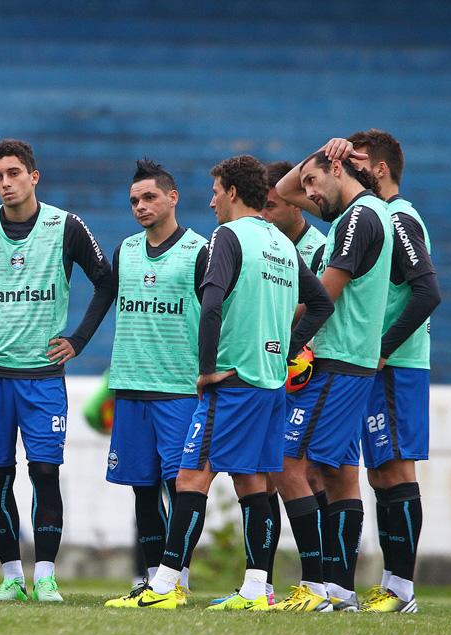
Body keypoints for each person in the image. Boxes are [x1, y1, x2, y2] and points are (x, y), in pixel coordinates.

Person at [144, 155, 332, 610]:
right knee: (253, 483)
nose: (210, 202)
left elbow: (211, 307)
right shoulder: (282, 242)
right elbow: (321, 302)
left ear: (231, 191)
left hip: (234, 380)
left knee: (191, 477)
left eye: (214, 191)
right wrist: (286, 349)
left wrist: (206, 369)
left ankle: (164, 586)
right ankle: (255, 589)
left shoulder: (229, 236)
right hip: (270, 383)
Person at [0, 139, 113, 602]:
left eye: (14, 173)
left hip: (42, 379)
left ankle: (45, 576)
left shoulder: (66, 227)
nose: (6, 183)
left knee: (44, 471)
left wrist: (78, 340)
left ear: (33, 176)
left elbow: (105, 282)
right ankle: (11, 578)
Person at [275, 139, 395, 611]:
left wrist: (287, 346)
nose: (308, 192)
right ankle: (341, 590)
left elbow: (325, 297)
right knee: (341, 473)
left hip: (336, 359)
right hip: (352, 361)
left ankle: (316, 585)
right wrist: (317, 157)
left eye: (315, 182)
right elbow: (283, 188)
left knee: (286, 461)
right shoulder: (359, 214)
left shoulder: (359, 218)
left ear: (340, 170)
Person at [98, 158, 208, 608]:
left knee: (182, 487)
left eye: (149, 198)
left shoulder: (200, 250)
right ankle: (150, 579)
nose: (140, 207)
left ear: (172, 197)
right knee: (142, 489)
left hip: (180, 388)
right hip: (130, 385)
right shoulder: (125, 250)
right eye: (134, 201)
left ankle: (175, 577)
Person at [347, 129, 441, 613]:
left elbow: (428, 291)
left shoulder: (399, 217)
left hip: (398, 365)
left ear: (380, 168)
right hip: (383, 367)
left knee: (397, 470)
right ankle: (390, 585)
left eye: (358, 159)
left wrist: (383, 348)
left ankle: (403, 589)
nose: (349, 164)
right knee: (382, 473)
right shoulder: (377, 216)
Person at [259, 161, 333, 611]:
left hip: (310, 367)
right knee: (268, 474)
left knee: (301, 471)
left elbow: (318, 304)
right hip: (274, 370)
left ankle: (323, 583)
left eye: (271, 206)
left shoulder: (319, 247)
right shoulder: (264, 242)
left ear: (294, 204)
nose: (264, 216)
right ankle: (262, 585)